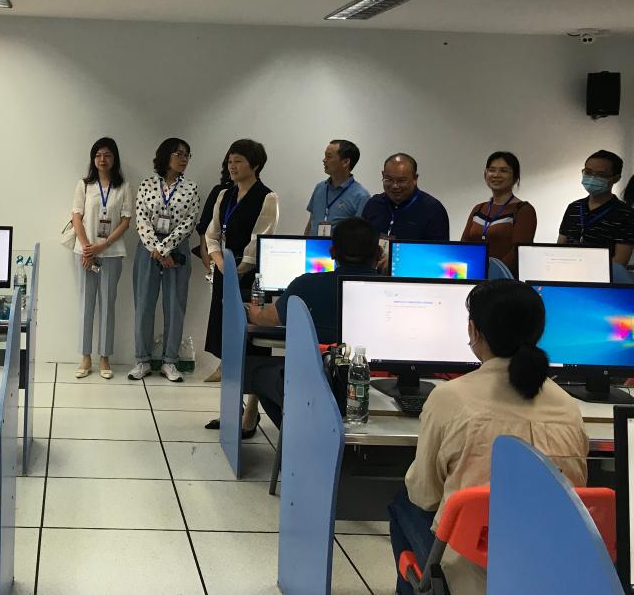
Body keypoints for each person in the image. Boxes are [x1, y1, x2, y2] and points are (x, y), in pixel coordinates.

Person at [387, 280, 589, 595]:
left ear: (474, 330)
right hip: (550, 565)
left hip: (473, 570)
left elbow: (425, 494)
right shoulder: (568, 406)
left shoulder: (451, 397)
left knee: (403, 501)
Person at [246, 217, 380, 428]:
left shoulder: (306, 285)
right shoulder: (392, 289)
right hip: (374, 384)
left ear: (332, 252)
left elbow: (265, 319)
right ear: (379, 254)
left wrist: (251, 308)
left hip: (316, 384)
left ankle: (296, 432)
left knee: (259, 376)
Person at [203, 139, 279, 435]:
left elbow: (259, 241)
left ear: (255, 165)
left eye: (239, 161)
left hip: (251, 280)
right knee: (229, 344)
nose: (232, 166)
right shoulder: (225, 195)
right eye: (230, 161)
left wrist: (236, 269)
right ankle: (230, 412)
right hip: (225, 273)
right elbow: (212, 235)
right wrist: (220, 263)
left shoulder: (267, 197)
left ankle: (251, 413)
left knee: (252, 347)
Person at [129, 138, 200, 383]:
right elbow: (141, 218)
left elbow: (189, 222)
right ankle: (142, 360)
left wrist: (167, 249)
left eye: (187, 155)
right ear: (165, 156)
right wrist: (157, 250)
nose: (183, 159)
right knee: (144, 304)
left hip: (177, 250)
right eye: (179, 154)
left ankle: (170, 361)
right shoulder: (147, 184)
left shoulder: (191, 188)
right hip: (148, 249)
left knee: (175, 305)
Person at [71, 137, 133, 379]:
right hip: (85, 254)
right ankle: (85, 357)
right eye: (98, 155)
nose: (102, 159)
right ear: (93, 159)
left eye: (107, 155)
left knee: (108, 305)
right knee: (86, 304)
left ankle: (105, 357)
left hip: (112, 252)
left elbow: (126, 221)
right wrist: (88, 248)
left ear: (114, 158)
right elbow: (76, 217)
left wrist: (103, 245)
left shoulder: (123, 187)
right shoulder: (84, 185)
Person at [361, 154, 450, 262]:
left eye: (401, 181)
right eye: (389, 179)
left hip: (411, 271)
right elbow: (361, 242)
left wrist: (396, 261)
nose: (395, 186)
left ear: (415, 179)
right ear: (383, 175)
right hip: (372, 270)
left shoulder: (433, 210)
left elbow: (439, 255)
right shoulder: (373, 204)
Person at [460, 151, 537, 274]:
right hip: (472, 275)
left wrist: (491, 273)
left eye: (503, 171)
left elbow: (517, 252)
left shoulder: (523, 210)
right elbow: (464, 245)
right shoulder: (478, 209)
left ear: (515, 177)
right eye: (492, 170)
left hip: (504, 279)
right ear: (485, 174)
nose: (496, 175)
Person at [557, 149, 634, 266]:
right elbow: (560, 247)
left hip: (602, 275)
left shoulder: (626, 214)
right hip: (568, 270)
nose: (592, 178)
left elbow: (620, 261)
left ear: (616, 178)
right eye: (588, 172)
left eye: (601, 175)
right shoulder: (574, 207)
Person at [303, 140, 370, 237]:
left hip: (340, 247)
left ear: (345, 162)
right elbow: (311, 222)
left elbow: (360, 236)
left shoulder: (361, 196)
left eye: (329, 157)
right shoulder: (320, 187)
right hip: (312, 246)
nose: (324, 160)